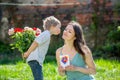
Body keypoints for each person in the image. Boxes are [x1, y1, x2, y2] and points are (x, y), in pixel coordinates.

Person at [23, 16, 61, 80]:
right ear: (52, 26)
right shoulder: (46, 34)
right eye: (58, 27)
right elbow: (35, 43)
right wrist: (27, 53)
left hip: (36, 60)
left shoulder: (46, 34)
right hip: (35, 60)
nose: (59, 29)